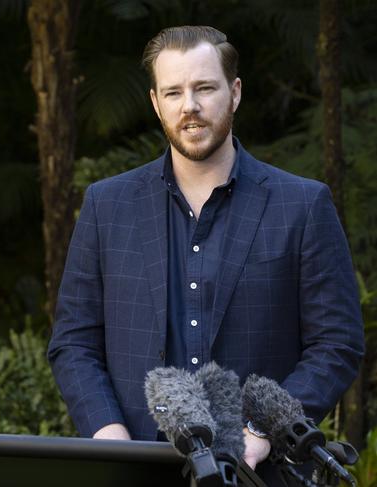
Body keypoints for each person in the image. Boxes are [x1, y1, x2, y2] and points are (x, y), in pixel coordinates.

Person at [48, 25, 364, 482]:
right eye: (173, 92)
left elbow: (336, 343)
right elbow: (74, 341)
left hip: (260, 471)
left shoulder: (303, 205)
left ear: (234, 93)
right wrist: (107, 433)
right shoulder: (106, 205)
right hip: (135, 468)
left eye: (204, 88)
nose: (189, 107)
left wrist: (264, 431)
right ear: (156, 103)